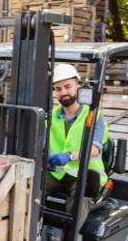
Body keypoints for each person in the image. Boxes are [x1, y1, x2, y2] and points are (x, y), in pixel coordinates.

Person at [44, 63, 109, 199]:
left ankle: (73, 220)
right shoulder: (50, 116)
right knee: (29, 186)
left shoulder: (93, 114)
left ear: (78, 86)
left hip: (85, 176)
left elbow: (95, 149)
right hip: (57, 174)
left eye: (68, 87)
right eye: (58, 89)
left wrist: (69, 156)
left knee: (79, 200)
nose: (63, 92)